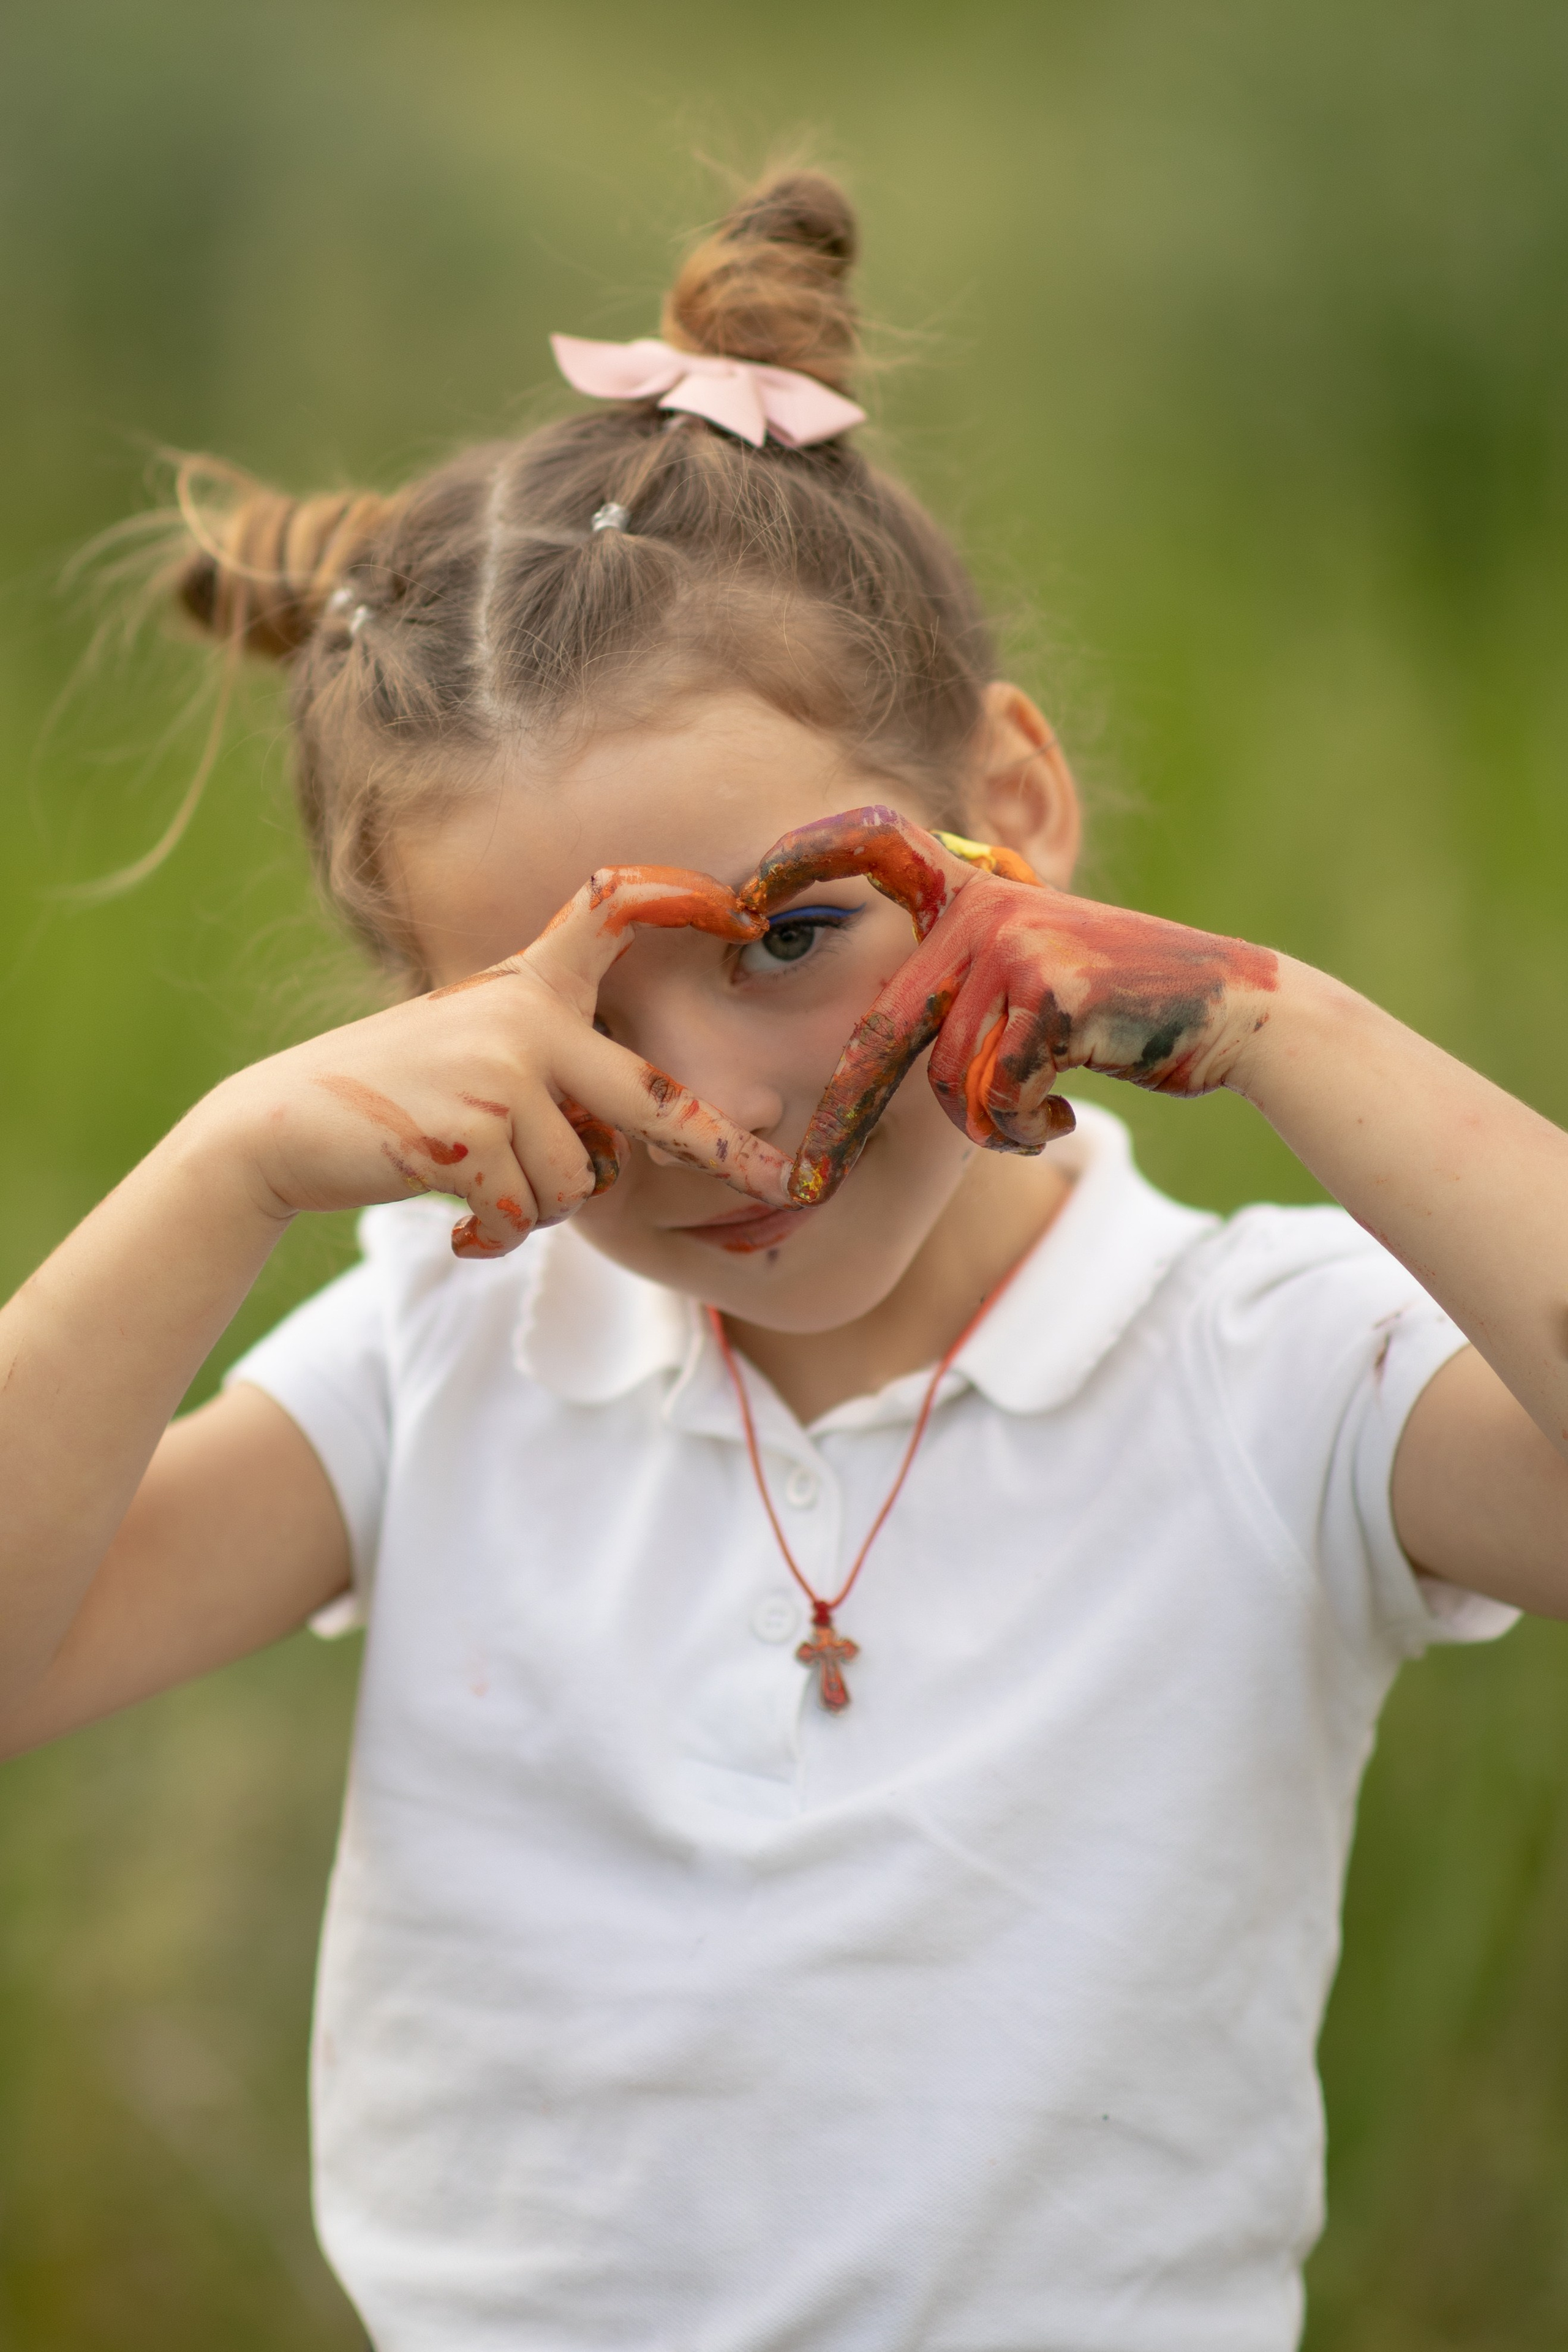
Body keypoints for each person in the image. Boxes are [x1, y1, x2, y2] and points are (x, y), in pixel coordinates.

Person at [3, 167, 1566, 2352]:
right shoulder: (461, 1350)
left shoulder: (1272, 1376)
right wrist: (218, 1174)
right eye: (572, 1011)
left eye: (794, 937)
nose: (707, 1108)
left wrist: (1271, 1019)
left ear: (1011, 825)